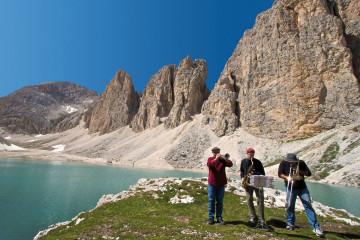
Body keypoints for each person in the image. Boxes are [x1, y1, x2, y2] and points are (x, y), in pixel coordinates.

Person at [278, 153, 324, 237]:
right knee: (290, 205)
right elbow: (280, 174)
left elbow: (308, 173)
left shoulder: (301, 163)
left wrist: (300, 172)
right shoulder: (283, 163)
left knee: (308, 205)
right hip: (290, 187)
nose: (291, 163)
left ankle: (315, 227)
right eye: (290, 162)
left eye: (293, 162)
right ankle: (290, 223)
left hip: (302, 188)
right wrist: (287, 177)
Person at [240, 147, 268, 229]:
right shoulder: (244, 161)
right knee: (249, 199)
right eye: (249, 154)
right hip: (247, 182)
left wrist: (254, 173)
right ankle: (253, 216)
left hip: (257, 182)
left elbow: (263, 173)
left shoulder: (257, 162)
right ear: (247, 153)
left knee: (260, 200)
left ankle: (261, 218)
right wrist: (242, 177)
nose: (251, 155)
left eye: (252, 154)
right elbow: (242, 171)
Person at [207, 147, 233, 225]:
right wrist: (216, 159)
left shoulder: (222, 160)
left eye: (217, 151)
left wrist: (225, 158)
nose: (216, 153)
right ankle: (211, 218)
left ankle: (219, 217)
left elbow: (230, 164)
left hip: (221, 184)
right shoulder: (210, 159)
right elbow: (210, 165)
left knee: (220, 201)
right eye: (215, 152)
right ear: (212, 152)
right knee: (211, 200)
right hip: (212, 183)